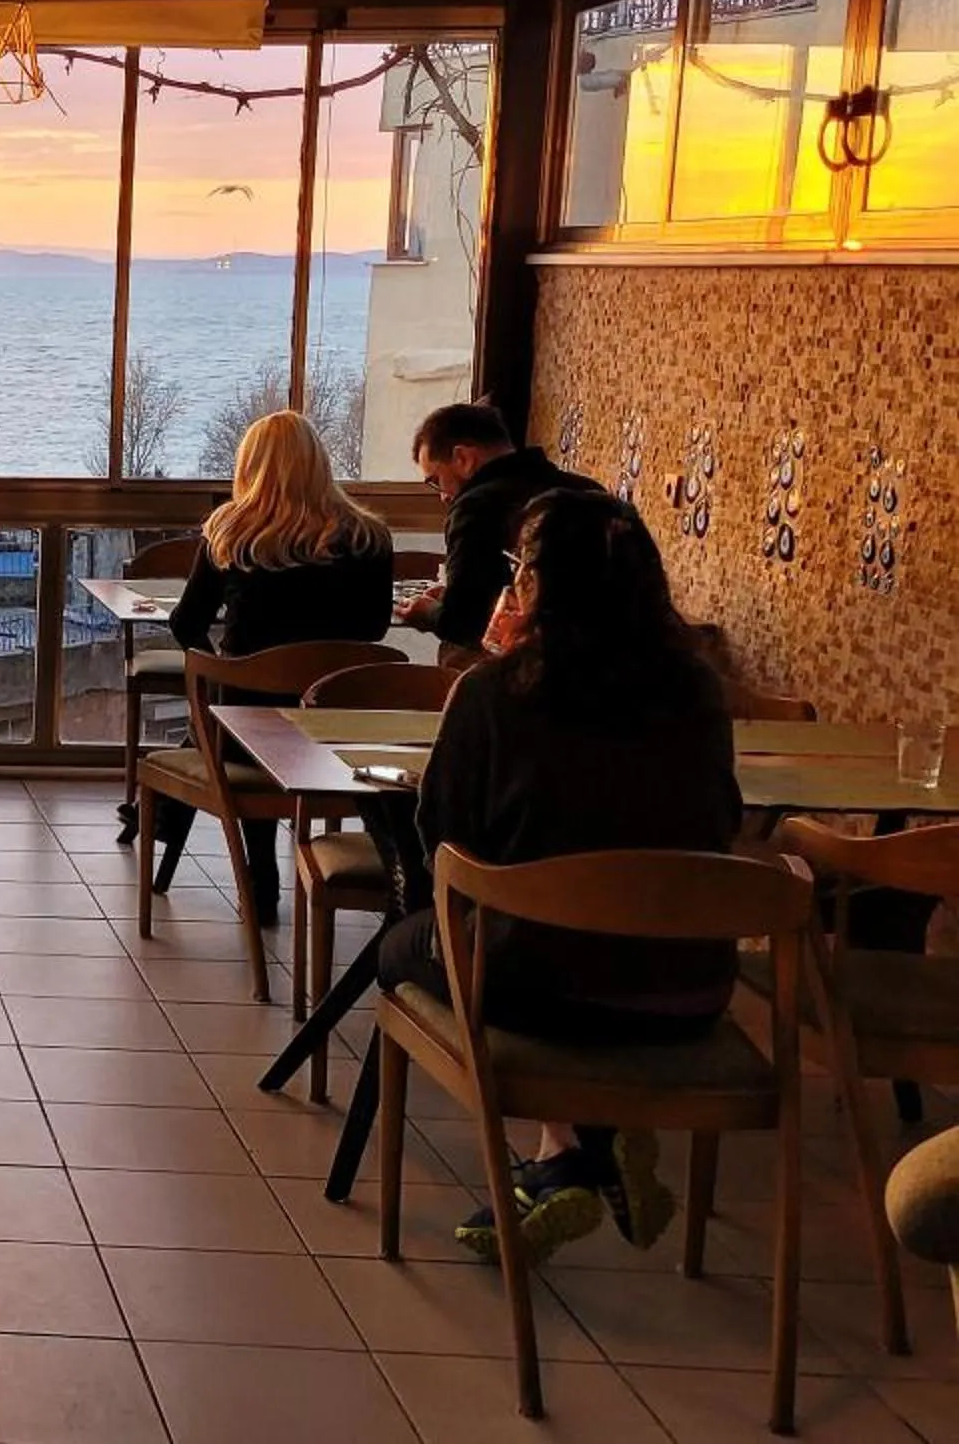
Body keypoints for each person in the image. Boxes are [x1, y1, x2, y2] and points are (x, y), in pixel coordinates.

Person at [372, 487, 741, 1264]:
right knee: (563, 943)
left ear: (533, 584)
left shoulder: (493, 695)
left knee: (402, 948)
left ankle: (572, 1153)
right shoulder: (698, 692)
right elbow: (724, 820)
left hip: (537, 992)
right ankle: (570, 1151)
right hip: (689, 990)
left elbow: (445, 843)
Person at [151, 411, 395, 925]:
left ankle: (259, 880)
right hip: (336, 729)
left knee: (228, 717)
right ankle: (385, 876)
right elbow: (374, 631)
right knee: (240, 717)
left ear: (250, 465)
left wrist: (222, 666)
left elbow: (186, 624)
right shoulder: (370, 538)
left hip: (250, 731)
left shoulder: (231, 535)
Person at [399, 402, 598, 665]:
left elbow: (463, 623)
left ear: (463, 459)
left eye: (436, 481)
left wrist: (430, 614)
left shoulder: (475, 508)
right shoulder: (591, 492)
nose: (444, 496)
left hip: (530, 673)